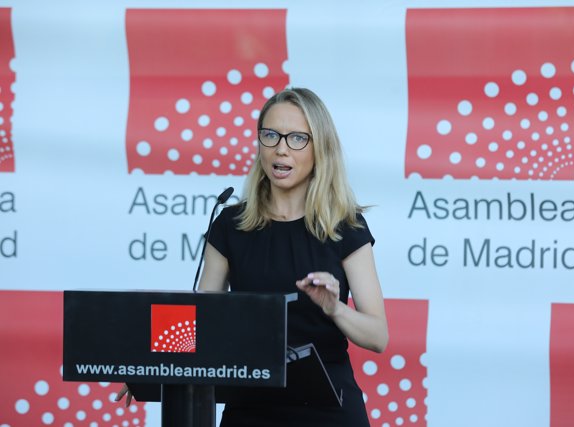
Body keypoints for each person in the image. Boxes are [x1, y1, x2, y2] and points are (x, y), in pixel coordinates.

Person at [118, 87, 388, 426]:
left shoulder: (344, 226)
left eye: (297, 139)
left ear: (320, 148)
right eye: (270, 135)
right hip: (250, 406)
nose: (280, 149)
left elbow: (378, 337)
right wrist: (148, 367)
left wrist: (334, 309)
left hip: (328, 407)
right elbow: (203, 319)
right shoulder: (231, 226)